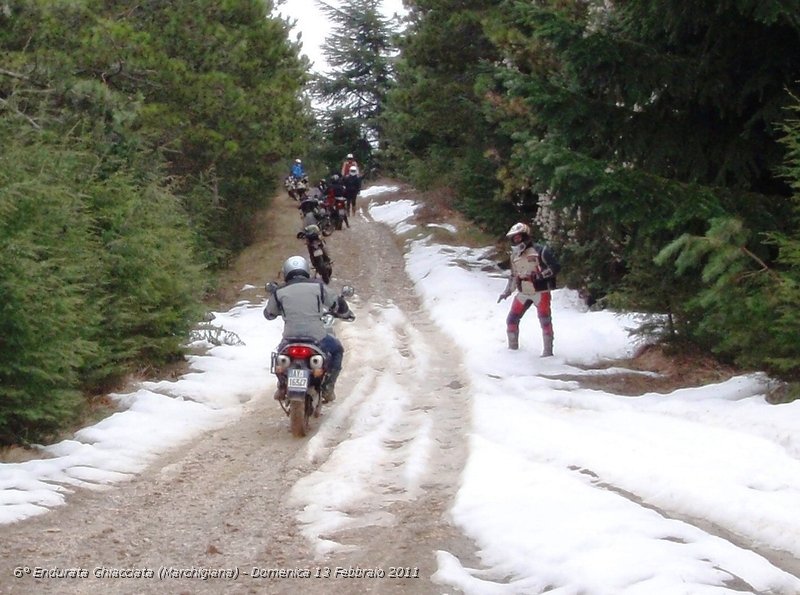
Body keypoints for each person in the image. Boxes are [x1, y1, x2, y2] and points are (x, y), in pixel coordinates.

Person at [264, 256, 354, 402]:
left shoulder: (279, 292)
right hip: (317, 337)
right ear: (306, 270)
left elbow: (269, 314)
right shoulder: (318, 287)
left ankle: (281, 385)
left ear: (286, 272)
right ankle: (327, 388)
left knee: (279, 356)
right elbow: (337, 305)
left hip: (290, 338)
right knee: (337, 350)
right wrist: (345, 313)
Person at [497, 223, 560, 357]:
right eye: (514, 238)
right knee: (511, 320)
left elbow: (555, 267)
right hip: (523, 292)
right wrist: (507, 292)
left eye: (519, 237)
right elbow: (514, 276)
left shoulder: (541, 251)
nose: (516, 241)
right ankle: (512, 350)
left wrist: (540, 275)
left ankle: (548, 352)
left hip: (541, 291)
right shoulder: (514, 256)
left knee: (544, 320)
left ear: (525, 237)